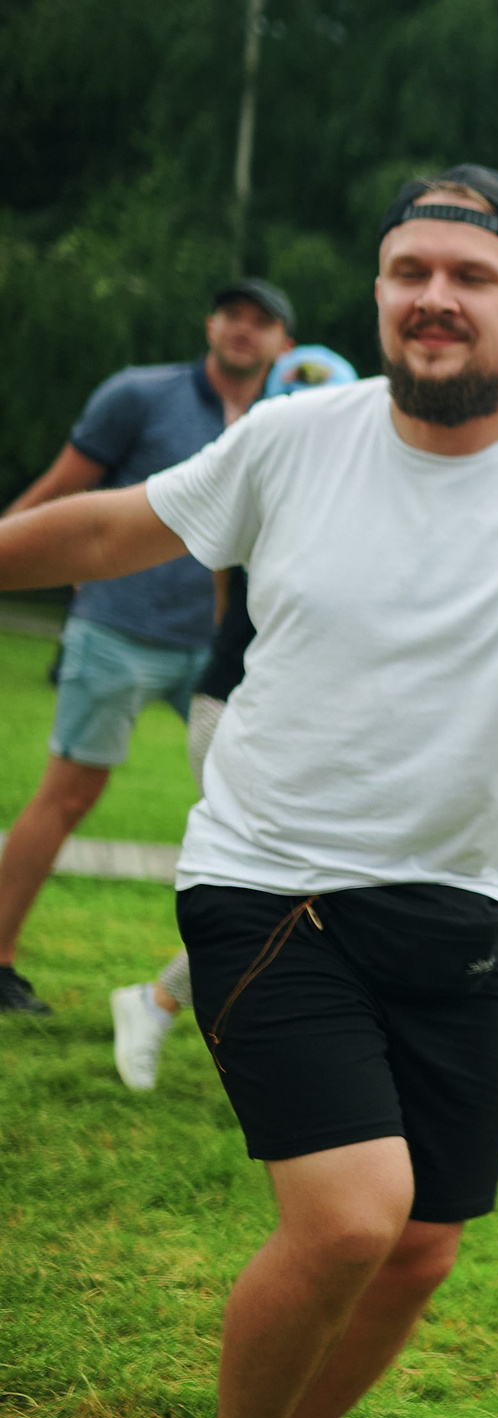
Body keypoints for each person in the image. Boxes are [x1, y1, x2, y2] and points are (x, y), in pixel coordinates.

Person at [0, 164, 498, 1418]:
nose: (434, 298)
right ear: (377, 291)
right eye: (409, 272)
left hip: (465, 901)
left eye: (470, 277)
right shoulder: (293, 437)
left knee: (422, 1245)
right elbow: (111, 533)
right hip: (272, 881)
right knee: (352, 1217)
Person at [0, 277, 296, 1017]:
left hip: (219, 655)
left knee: (264, 809)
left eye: (261, 322)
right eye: (231, 314)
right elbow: (63, 491)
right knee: (69, 793)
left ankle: (230, 989)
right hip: (119, 628)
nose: (242, 329)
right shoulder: (140, 395)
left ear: (284, 344)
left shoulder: (288, 421)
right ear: (210, 323)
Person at [109, 344, 359, 1089]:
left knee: (314, 889)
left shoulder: (340, 494)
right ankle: (157, 1002)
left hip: (284, 715)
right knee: (286, 890)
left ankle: (169, 1006)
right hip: (241, 712)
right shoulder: (275, 489)